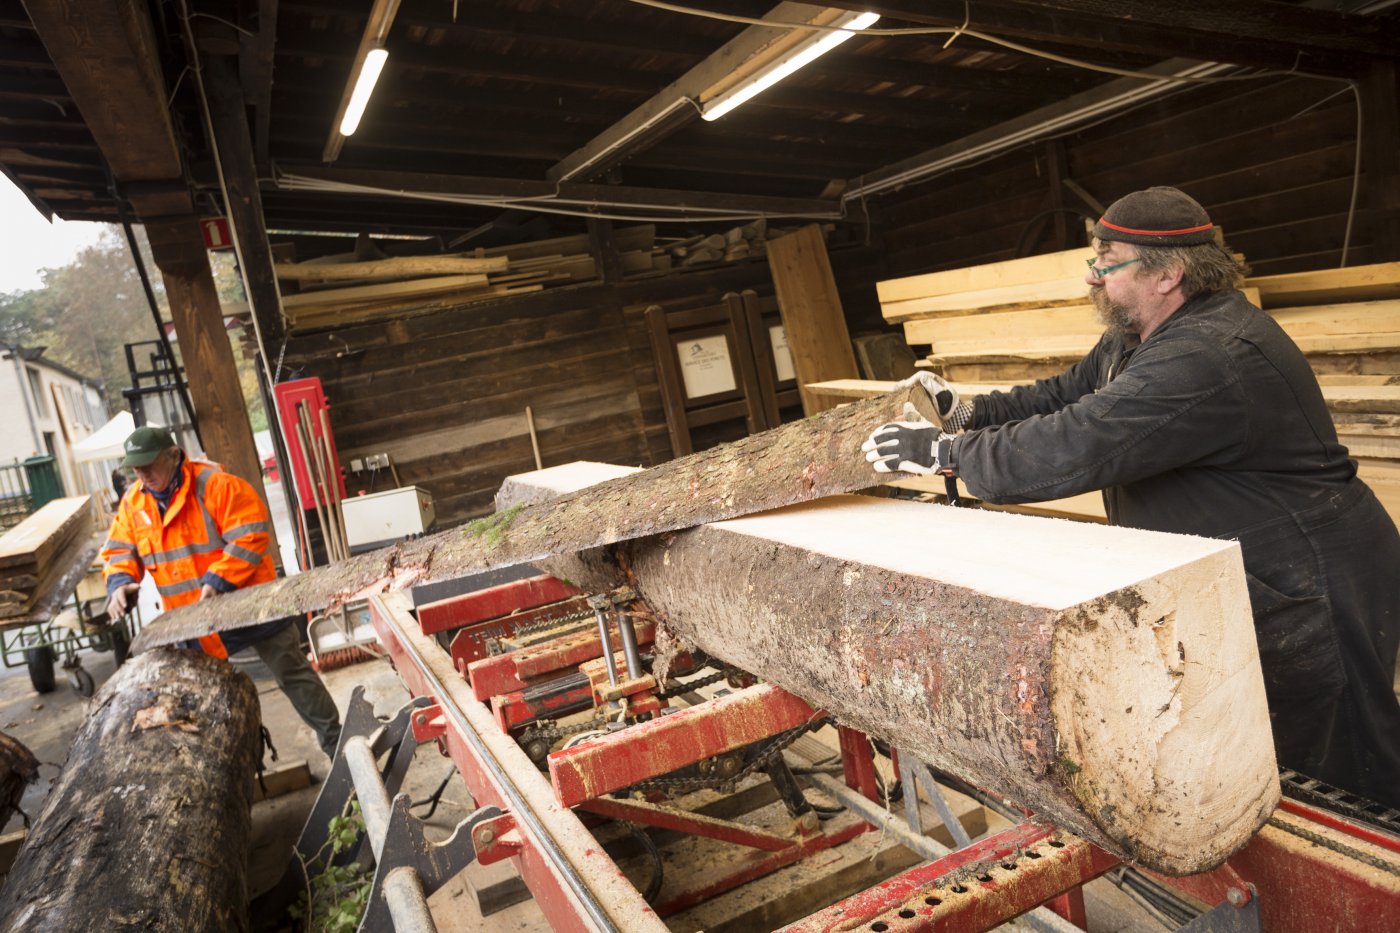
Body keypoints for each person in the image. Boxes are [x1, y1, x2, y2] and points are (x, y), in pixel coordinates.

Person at [863, 186, 1400, 808]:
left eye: (1106, 263)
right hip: (1255, 570)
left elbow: (1080, 441)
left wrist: (945, 455)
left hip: (1306, 582)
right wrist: (968, 412)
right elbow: (1065, 395)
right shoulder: (1141, 332)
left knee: (1343, 767)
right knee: (1264, 746)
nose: (1092, 277)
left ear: (1168, 273)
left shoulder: (1206, 354)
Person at [101, 426, 342, 758]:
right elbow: (118, 551)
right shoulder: (133, 503)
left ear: (173, 456)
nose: (142, 474)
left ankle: (338, 745)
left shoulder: (215, 486)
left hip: (251, 604)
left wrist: (218, 581)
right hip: (194, 620)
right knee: (209, 697)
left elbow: (250, 535)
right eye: (135, 468)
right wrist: (121, 582)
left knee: (293, 674)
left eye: (149, 464)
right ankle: (235, 766)